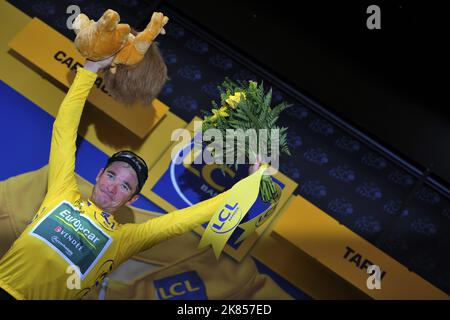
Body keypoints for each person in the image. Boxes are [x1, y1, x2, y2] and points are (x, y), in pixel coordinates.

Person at [0, 58, 261, 300]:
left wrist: (247, 187)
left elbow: (181, 221)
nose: (113, 186)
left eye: (125, 185)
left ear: (133, 199)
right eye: (111, 175)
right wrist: (89, 71)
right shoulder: (62, 192)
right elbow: (64, 131)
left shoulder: (125, 239)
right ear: (99, 175)